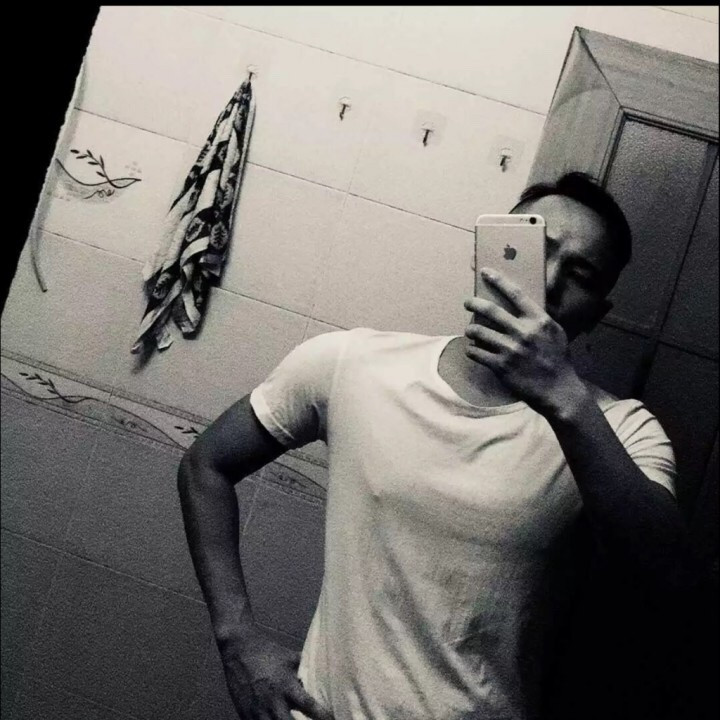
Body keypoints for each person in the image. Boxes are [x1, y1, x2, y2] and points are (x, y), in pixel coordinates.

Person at [177, 172, 691, 720]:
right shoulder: (353, 365)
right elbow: (205, 465)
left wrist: (564, 399)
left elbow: (663, 577)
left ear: (597, 314)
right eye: (531, 248)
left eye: (581, 274)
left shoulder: (621, 429)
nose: (546, 282)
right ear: (485, 253)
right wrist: (237, 639)